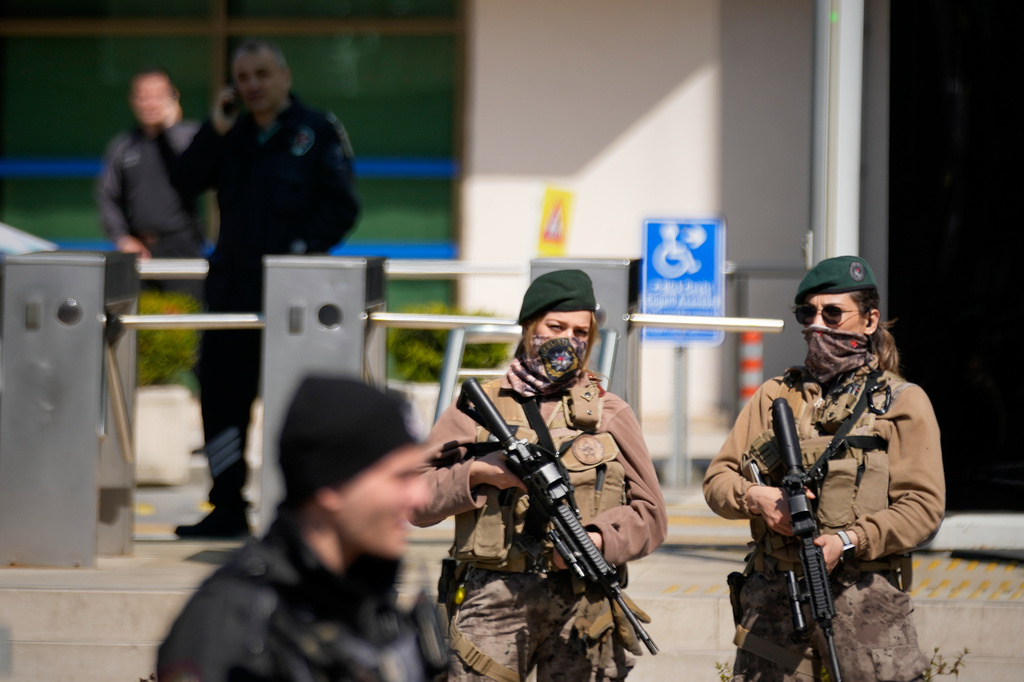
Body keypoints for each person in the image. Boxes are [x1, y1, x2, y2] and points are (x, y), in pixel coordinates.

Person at [412, 269, 668, 681]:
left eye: (581, 332)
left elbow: (651, 516)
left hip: (584, 605)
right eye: (556, 326)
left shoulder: (610, 411)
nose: (568, 340)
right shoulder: (479, 407)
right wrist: (479, 472)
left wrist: (600, 540)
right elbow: (414, 499)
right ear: (529, 327)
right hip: (495, 597)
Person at [703, 255, 945, 681]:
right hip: (776, 599)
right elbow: (718, 481)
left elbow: (923, 507)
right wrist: (757, 497)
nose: (818, 325)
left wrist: (849, 540)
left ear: (869, 321)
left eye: (832, 313)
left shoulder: (901, 401)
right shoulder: (775, 395)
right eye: (807, 313)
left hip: (864, 601)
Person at [170, 39, 360, 537]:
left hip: (293, 298)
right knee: (221, 402)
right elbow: (185, 181)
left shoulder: (316, 131)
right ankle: (227, 507)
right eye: (243, 77)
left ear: (284, 76)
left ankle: (299, 511)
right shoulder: (229, 134)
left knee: (295, 408)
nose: (252, 85)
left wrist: (298, 251)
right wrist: (214, 128)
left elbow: (342, 207)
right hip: (232, 294)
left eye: (261, 74)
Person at [158, 375, 446, 681]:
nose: (421, 496)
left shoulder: (368, 600)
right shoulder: (233, 622)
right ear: (332, 486)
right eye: (401, 477)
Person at [95, 67, 205, 298]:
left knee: (184, 316)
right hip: (140, 251)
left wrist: (172, 126)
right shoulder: (124, 146)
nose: (150, 104)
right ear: (133, 101)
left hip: (182, 248)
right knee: (135, 317)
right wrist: (122, 239)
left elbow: (198, 169)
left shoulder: (191, 136)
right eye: (144, 97)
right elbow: (107, 196)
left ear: (173, 97)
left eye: (158, 96)